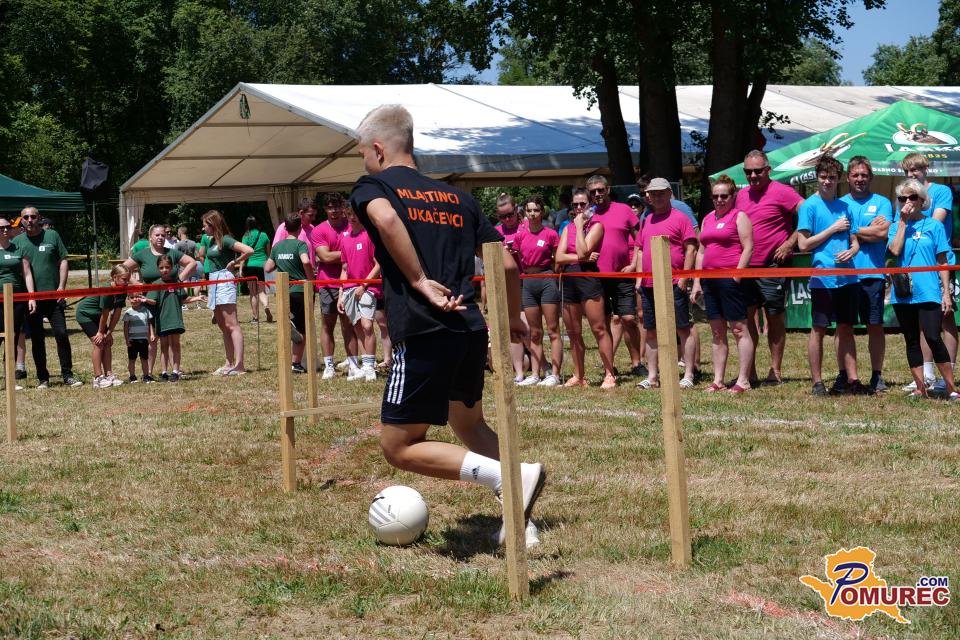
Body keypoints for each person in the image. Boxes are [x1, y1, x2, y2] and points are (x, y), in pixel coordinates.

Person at [349, 104, 545, 546]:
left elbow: (385, 218)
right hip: (468, 328)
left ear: (378, 149)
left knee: (399, 446)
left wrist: (419, 279)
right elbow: (506, 265)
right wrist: (512, 315)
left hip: (423, 328)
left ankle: (509, 477)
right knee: (470, 425)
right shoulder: (458, 198)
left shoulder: (373, 187)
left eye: (362, 153)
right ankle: (522, 522)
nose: (363, 162)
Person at [796, 157, 868, 396]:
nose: (827, 181)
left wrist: (853, 250)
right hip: (823, 277)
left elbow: (854, 241)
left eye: (832, 178)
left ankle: (851, 379)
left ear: (839, 180)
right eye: (823, 177)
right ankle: (817, 383)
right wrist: (832, 229)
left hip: (848, 277)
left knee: (846, 327)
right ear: (817, 178)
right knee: (819, 328)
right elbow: (803, 244)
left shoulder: (845, 206)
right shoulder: (809, 206)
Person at [737, 150, 804, 385]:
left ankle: (775, 371)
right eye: (748, 172)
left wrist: (790, 243)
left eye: (758, 171)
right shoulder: (740, 195)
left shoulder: (783, 191)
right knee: (746, 317)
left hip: (773, 265)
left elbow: (808, 213)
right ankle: (750, 371)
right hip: (746, 266)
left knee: (774, 317)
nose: (753, 176)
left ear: (768, 169)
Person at [888, 178, 957, 400]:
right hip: (903, 293)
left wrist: (946, 293)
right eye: (902, 198)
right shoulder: (895, 226)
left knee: (933, 337)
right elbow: (894, 251)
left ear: (922, 200)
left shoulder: (935, 226)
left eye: (912, 197)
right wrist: (902, 222)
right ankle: (920, 387)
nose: (907, 201)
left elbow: (942, 261)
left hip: (929, 291)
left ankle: (950, 388)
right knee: (911, 339)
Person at [689, 175, 755, 393]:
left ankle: (743, 380)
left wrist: (737, 276)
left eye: (724, 196)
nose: (719, 200)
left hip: (730, 281)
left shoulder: (739, 216)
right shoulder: (707, 218)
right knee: (717, 331)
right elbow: (701, 252)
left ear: (732, 196)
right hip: (709, 281)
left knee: (738, 329)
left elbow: (748, 247)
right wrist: (697, 281)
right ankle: (718, 380)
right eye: (715, 196)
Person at [632, 178, 698, 390]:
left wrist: (684, 278)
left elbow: (691, 248)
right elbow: (640, 250)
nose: (657, 197)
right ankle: (652, 376)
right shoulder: (647, 219)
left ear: (670, 193)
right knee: (651, 330)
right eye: (653, 193)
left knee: (682, 328)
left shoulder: (680, 218)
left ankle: (688, 374)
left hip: (674, 283)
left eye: (661, 193)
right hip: (649, 284)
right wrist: (639, 279)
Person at [839, 156, 893, 393]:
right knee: (844, 327)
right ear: (848, 178)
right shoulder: (839, 204)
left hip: (873, 274)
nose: (859, 179)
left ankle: (877, 375)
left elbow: (882, 233)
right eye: (855, 175)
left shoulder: (882, 202)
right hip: (845, 275)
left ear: (871, 177)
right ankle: (847, 376)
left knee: (875, 326)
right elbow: (837, 235)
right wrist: (868, 229)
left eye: (864, 175)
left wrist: (852, 230)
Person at [555, 188, 617, 388]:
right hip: (570, 279)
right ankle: (579, 375)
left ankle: (609, 374)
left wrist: (580, 227)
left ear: (590, 205)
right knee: (573, 331)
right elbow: (559, 257)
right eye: (575, 205)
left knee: (599, 328)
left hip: (588, 279)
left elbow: (583, 251)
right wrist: (581, 257)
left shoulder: (596, 226)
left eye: (583, 204)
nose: (579, 208)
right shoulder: (567, 228)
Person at [14, 207, 80, 388]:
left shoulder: (52, 236)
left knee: (61, 334)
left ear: (39, 218)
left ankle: (68, 375)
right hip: (32, 300)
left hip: (54, 296)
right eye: (26, 217)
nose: (29, 220)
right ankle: (43, 378)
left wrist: (61, 287)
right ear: (21, 220)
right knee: (37, 338)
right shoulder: (17, 241)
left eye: (33, 216)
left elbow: (63, 260)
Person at [123, 224, 198, 374]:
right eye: (157, 235)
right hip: (149, 302)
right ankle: (149, 372)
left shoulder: (172, 253)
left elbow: (192, 263)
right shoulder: (142, 254)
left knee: (171, 337)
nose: (160, 238)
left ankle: (174, 370)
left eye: (163, 235)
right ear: (150, 237)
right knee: (152, 338)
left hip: (169, 302)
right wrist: (136, 284)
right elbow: (123, 269)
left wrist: (180, 279)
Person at [514, 196, 562, 386]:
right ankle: (535, 374)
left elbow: (558, 259)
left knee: (553, 330)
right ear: (525, 213)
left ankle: (555, 375)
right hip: (528, 281)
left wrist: (553, 275)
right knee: (534, 332)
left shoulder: (551, 234)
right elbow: (517, 257)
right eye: (529, 210)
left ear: (542, 212)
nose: (533, 214)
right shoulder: (520, 235)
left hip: (547, 279)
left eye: (536, 210)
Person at [200, 210, 253, 375]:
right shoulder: (211, 241)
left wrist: (235, 262)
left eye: (205, 225)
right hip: (214, 281)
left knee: (231, 323)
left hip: (224, 280)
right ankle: (228, 363)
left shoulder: (226, 239)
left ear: (213, 225)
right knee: (223, 325)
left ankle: (239, 365)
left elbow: (248, 250)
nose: (203, 228)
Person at [313, 193, 359, 378]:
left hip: (350, 282)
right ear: (325, 209)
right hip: (327, 283)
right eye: (330, 207)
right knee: (327, 325)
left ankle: (354, 365)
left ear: (343, 208)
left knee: (349, 324)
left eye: (337, 207)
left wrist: (339, 254)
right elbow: (324, 256)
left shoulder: (352, 225)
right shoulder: (319, 230)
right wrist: (350, 252)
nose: (334, 211)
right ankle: (329, 366)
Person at [337, 208, 384, 382]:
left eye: (355, 214)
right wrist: (341, 294)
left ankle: (370, 367)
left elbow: (378, 264)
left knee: (367, 325)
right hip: (349, 288)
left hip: (368, 288)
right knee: (357, 326)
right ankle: (365, 365)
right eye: (349, 214)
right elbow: (344, 269)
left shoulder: (370, 236)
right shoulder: (344, 239)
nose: (352, 218)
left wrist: (364, 285)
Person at [265, 215, 314, 373]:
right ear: (300, 228)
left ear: (285, 228)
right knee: (303, 328)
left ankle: (290, 326)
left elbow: (267, 268)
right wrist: (311, 279)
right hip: (299, 290)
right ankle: (296, 363)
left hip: (283, 291)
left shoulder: (277, 246)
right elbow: (306, 261)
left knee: (292, 322)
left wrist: (281, 262)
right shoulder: (300, 244)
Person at [145, 254, 205, 381]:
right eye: (161, 268)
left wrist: (197, 298)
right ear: (158, 268)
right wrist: (144, 299)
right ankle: (164, 372)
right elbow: (153, 301)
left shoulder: (177, 283)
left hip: (175, 320)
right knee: (164, 347)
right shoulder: (156, 284)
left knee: (175, 345)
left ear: (172, 267)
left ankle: (175, 371)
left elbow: (183, 299)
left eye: (167, 267)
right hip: (162, 321)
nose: (165, 270)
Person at [75, 263, 131, 388]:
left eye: (128, 279)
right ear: (115, 277)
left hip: (99, 315)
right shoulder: (107, 290)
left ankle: (109, 375)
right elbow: (105, 314)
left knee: (107, 342)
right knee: (99, 343)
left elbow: (117, 313)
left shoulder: (122, 290)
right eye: (124, 279)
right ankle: (98, 377)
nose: (127, 282)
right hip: (86, 314)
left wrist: (109, 332)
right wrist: (101, 332)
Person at [494, 193, 531, 383]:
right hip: (506, 284)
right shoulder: (495, 232)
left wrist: (518, 251)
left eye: (510, 214)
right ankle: (518, 372)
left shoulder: (527, 227)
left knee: (528, 325)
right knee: (512, 326)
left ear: (516, 210)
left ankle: (540, 363)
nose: (507, 219)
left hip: (526, 281)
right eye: (502, 216)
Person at [0, 214, 36, 390]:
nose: (5, 230)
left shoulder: (19, 248)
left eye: (7, 227)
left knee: (12, 338)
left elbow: (27, 274)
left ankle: (9, 380)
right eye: (1, 228)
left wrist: (31, 296)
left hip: (17, 300)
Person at [240, 216, 273, 323]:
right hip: (262, 265)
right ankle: (266, 306)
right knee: (262, 291)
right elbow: (268, 252)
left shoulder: (246, 236)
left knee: (253, 293)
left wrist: (240, 268)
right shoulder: (263, 235)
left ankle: (255, 317)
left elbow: (243, 253)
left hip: (250, 265)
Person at [122, 293, 156, 383]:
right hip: (132, 340)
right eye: (132, 297)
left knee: (144, 359)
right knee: (132, 359)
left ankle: (146, 376)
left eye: (137, 297)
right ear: (128, 300)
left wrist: (152, 334)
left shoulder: (146, 310)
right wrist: (127, 340)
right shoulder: (128, 313)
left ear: (141, 298)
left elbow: (149, 323)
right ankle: (132, 376)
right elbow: (125, 328)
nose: (135, 299)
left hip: (144, 339)